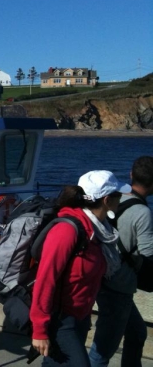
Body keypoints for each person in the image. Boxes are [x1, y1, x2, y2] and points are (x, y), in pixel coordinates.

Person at [30, 170, 130, 366]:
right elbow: (45, 279)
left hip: (79, 318)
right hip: (60, 321)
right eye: (119, 196)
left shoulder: (98, 231)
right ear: (107, 200)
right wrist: (40, 329)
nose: (122, 200)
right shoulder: (67, 231)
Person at [89, 156, 153, 367]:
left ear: (131, 175)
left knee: (137, 332)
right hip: (119, 285)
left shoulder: (115, 199)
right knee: (102, 351)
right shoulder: (142, 212)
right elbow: (148, 254)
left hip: (103, 277)